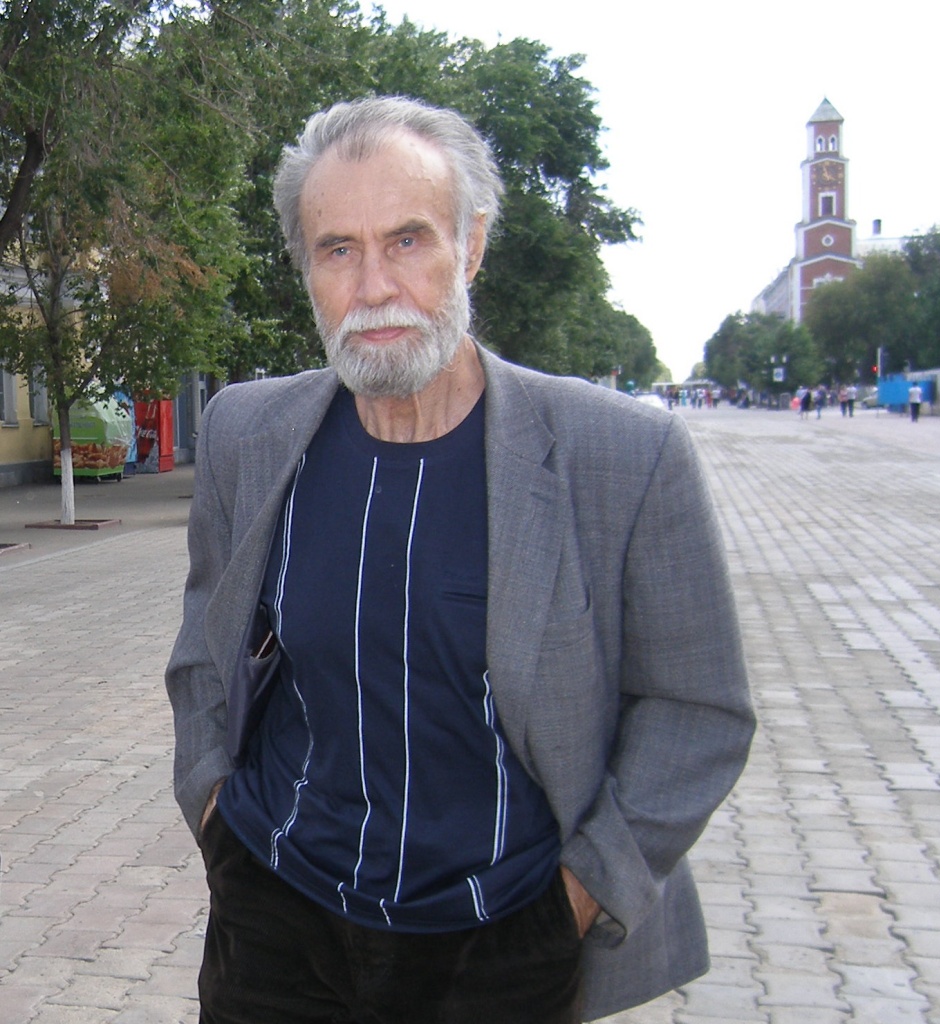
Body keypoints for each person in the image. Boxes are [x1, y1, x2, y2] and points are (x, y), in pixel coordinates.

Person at [165, 96, 754, 1024]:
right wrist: (216, 816)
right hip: (274, 922)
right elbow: (206, 649)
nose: (373, 287)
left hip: (503, 941)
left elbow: (697, 708)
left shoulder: (623, 455)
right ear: (307, 268)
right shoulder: (247, 432)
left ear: (471, 245)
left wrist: (576, 899)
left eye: (407, 241)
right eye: (338, 249)